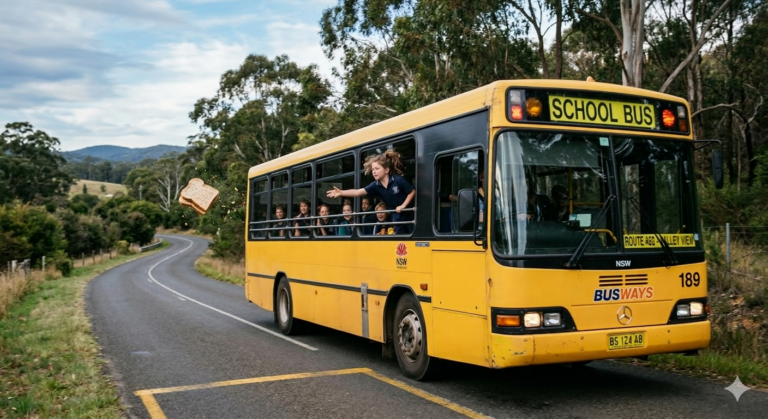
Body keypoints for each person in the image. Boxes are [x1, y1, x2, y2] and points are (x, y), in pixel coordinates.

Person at [327, 150, 415, 234]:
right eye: (372, 169)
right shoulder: (375, 185)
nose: (374, 172)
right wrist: (341, 193)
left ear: (386, 170)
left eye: (377, 169)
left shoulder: (398, 180)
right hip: (397, 216)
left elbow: (412, 191)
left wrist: (403, 206)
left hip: (410, 214)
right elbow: (358, 192)